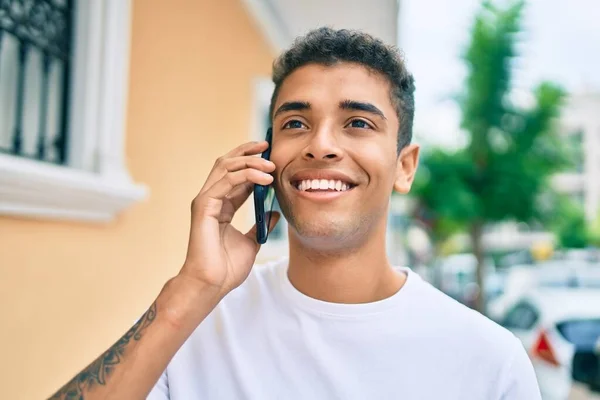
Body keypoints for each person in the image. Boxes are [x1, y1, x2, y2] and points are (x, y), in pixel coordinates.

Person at [49, 27, 541, 400]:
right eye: (297, 122)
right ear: (266, 155)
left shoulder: (489, 362)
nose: (321, 145)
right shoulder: (191, 327)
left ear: (404, 166)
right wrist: (190, 292)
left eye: (357, 123)